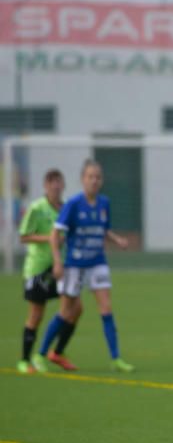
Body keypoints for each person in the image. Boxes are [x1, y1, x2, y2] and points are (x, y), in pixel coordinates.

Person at [31, 159, 135, 373]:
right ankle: (40, 354)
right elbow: (54, 234)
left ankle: (116, 359)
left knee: (106, 308)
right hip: (74, 266)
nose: (94, 181)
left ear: (102, 180)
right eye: (90, 177)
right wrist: (58, 263)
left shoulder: (104, 203)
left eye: (98, 177)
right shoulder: (73, 204)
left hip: (97, 263)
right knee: (66, 312)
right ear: (82, 179)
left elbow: (103, 230)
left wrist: (118, 240)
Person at [17, 169, 82, 373]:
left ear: (63, 185)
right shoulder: (37, 208)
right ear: (45, 186)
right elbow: (24, 236)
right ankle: (25, 360)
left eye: (59, 182)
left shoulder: (66, 208)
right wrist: (49, 238)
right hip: (38, 267)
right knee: (37, 313)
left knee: (76, 308)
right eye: (51, 182)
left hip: (61, 267)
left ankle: (57, 352)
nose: (56, 186)